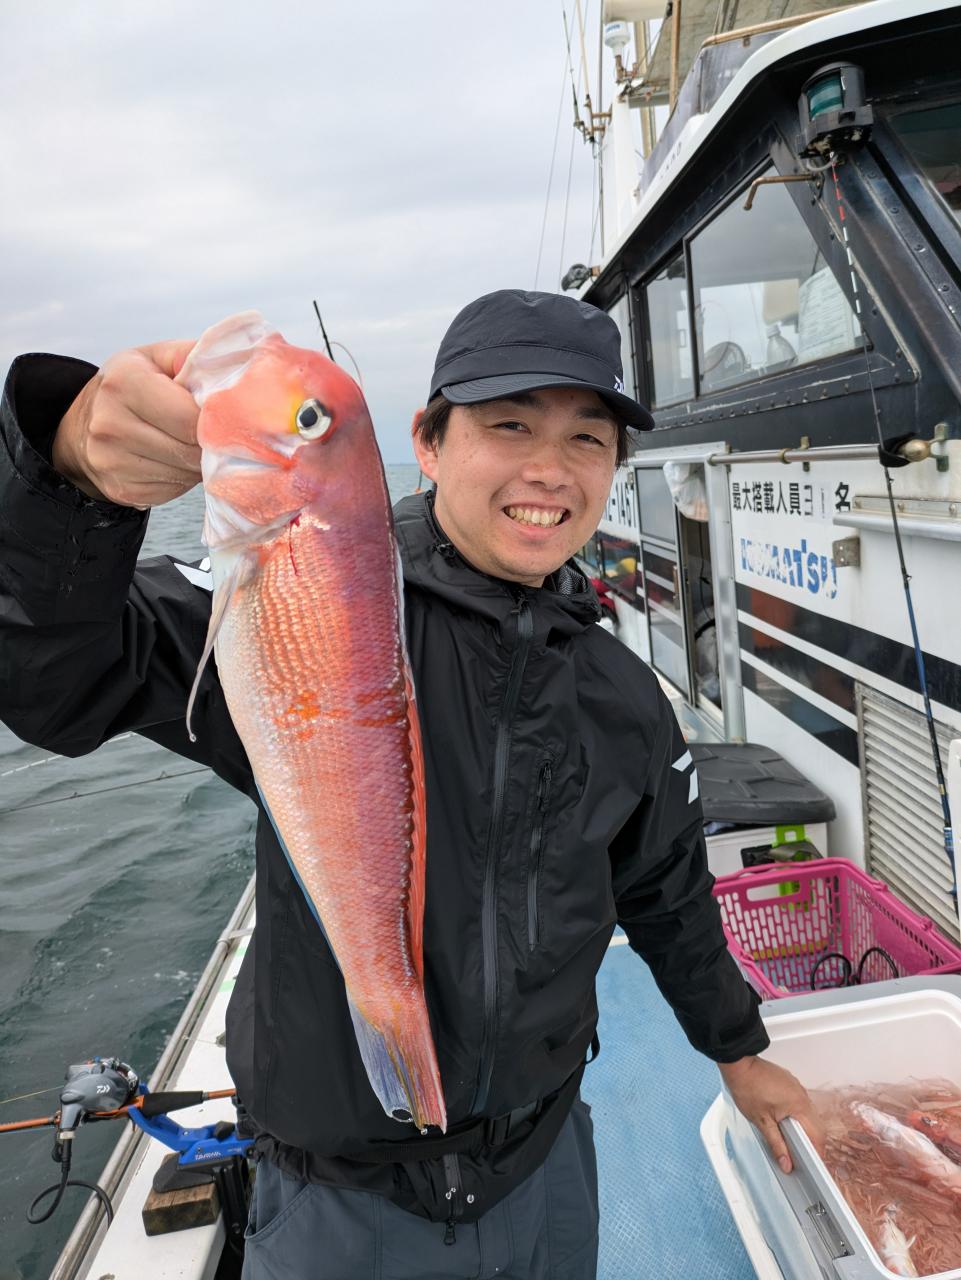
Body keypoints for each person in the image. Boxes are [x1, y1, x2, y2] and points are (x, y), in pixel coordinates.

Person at [0, 290, 820, 1278]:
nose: (548, 468)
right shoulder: (307, 581)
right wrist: (71, 481)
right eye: (508, 424)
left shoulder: (623, 694)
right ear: (427, 443)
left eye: (587, 438)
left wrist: (738, 1051)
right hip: (338, 1197)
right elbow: (60, 683)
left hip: (544, 1160)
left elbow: (666, 893)